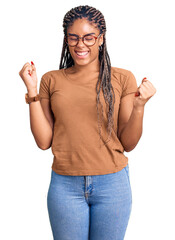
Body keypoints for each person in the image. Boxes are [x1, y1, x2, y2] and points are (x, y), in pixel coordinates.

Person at [19, 5, 156, 240]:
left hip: (112, 184)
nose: (80, 45)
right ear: (66, 39)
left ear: (101, 39)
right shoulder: (51, 80)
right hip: (65, 185)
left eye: (88, 38)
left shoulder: (122, 78)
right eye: (73, 38)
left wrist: (140, 107)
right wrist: (32, 90)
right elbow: (43, 142)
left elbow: (128, 143)